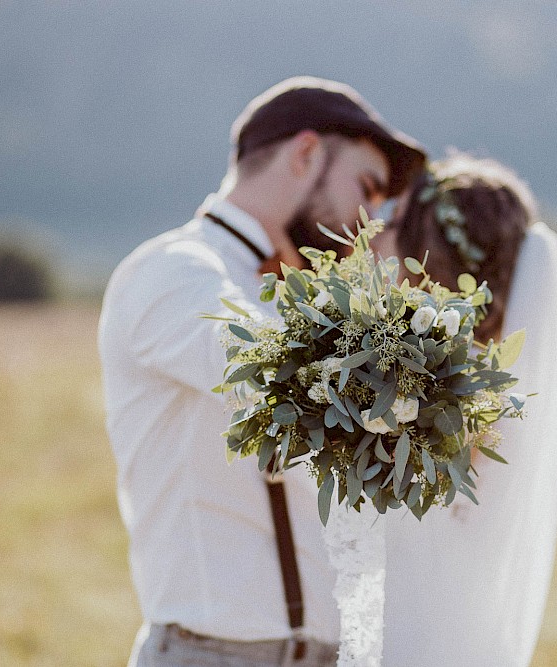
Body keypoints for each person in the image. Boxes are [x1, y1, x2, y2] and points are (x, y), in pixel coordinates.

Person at [97, 76, 425, 667]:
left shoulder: (314, 296)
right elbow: (278, 375)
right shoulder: (170, 271)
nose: (372, 221)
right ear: (305, 155)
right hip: (212, 656)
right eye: (367, 189)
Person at [374, 153, 557, 666]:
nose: (374, 234)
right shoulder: (499, 393)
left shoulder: (414, 398)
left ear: (422, 254)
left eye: (392, 223)